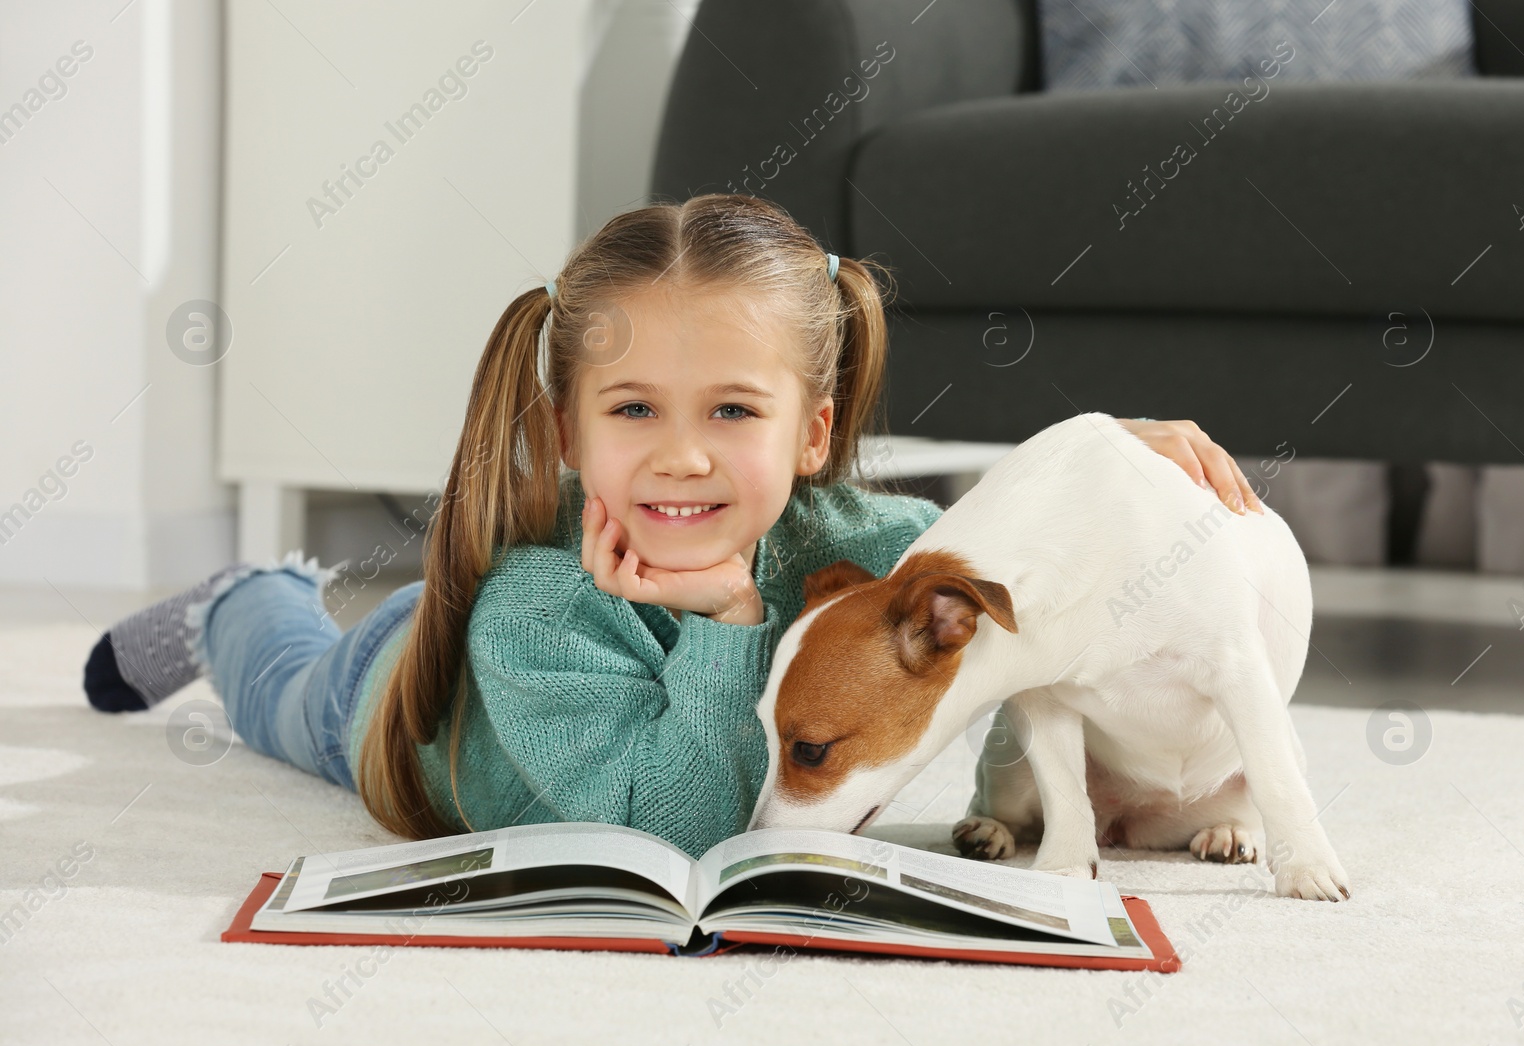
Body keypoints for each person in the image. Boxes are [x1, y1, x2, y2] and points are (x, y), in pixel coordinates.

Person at [80, 194, 1262, 856]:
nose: (682, 451)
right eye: (633, 406)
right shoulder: (531, 603)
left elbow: (1023, 605)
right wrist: (730, 617)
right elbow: (679, 834)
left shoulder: (872, 550)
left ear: (812, 434)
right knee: (283, 677)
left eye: (733, 409)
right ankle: (241, 598)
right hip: (410, 690)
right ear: (566, 430)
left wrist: (1110, 457)